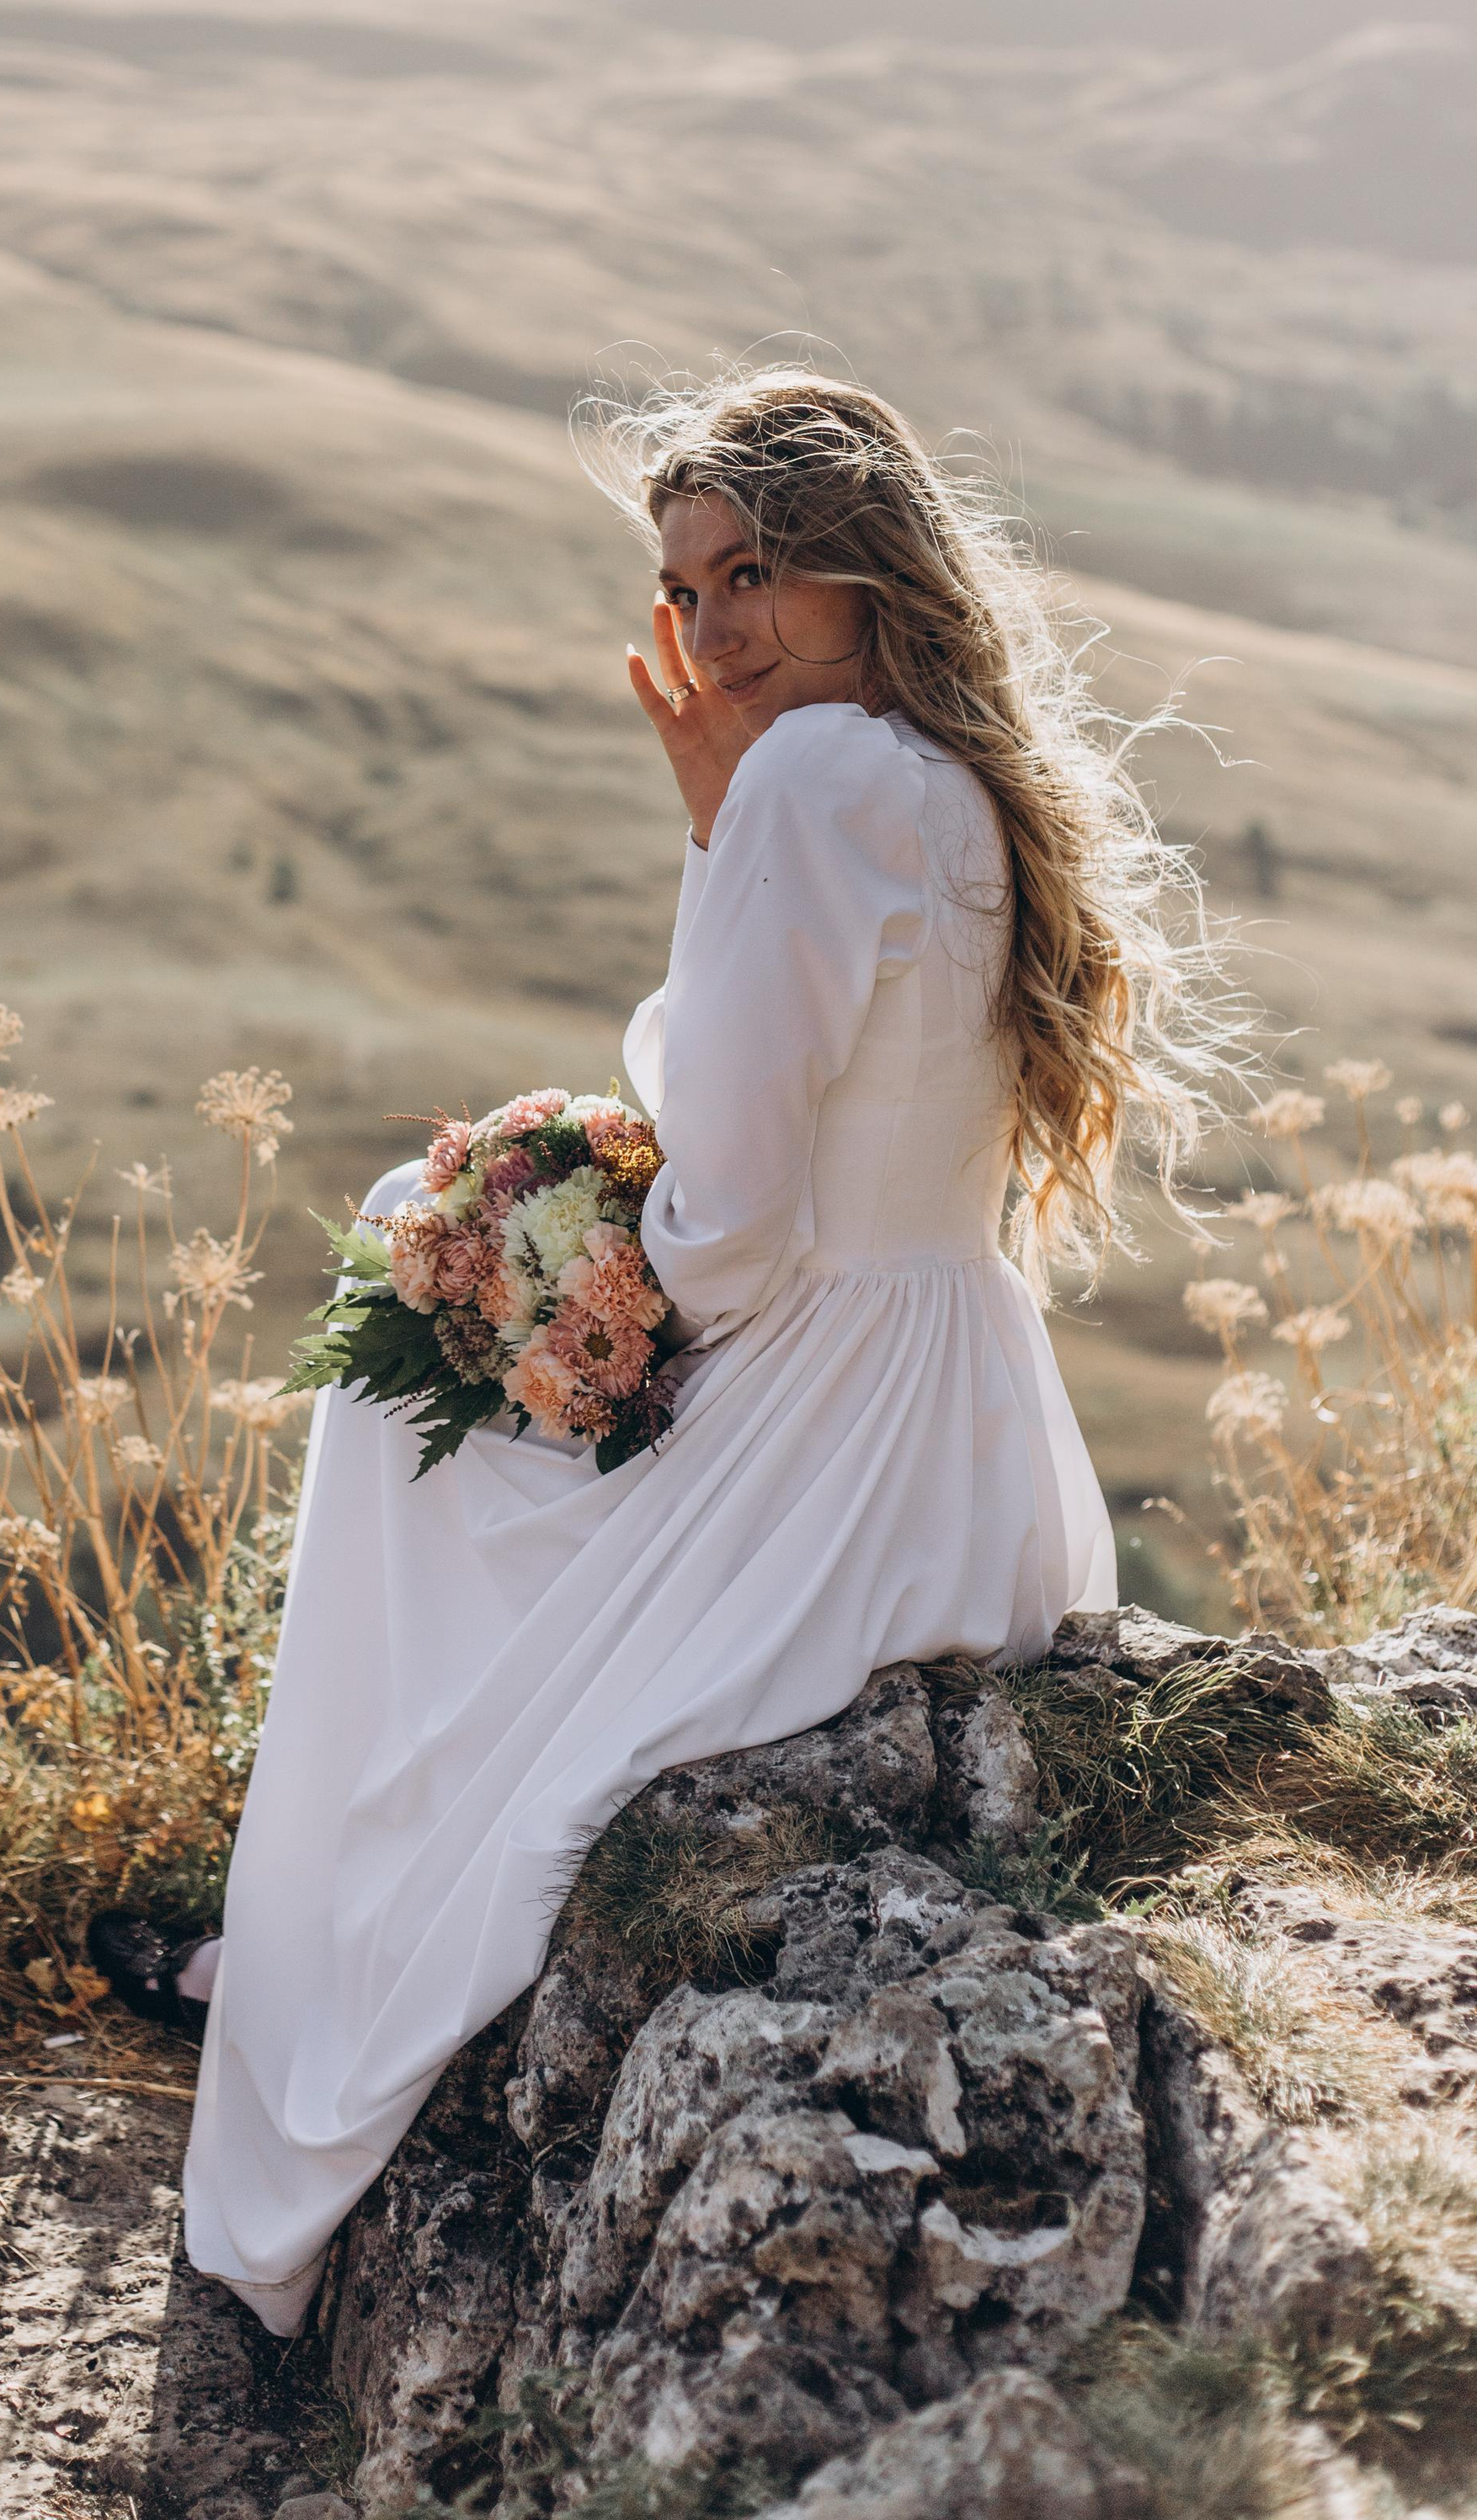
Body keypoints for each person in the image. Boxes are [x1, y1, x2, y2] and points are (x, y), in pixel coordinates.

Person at [90, 366, 1234, 2338]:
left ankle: (313, 1960)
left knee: (398, 1345)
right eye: (683, 589)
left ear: (866, 565)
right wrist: (719, 826)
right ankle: (323, 1935)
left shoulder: (814, 781)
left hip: (824, 1442)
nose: (708, 629)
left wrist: (578, 1321)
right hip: (964, 1446)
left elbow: (731, 1219)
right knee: (438, 1289)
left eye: (750, 575)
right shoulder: (951, 775)